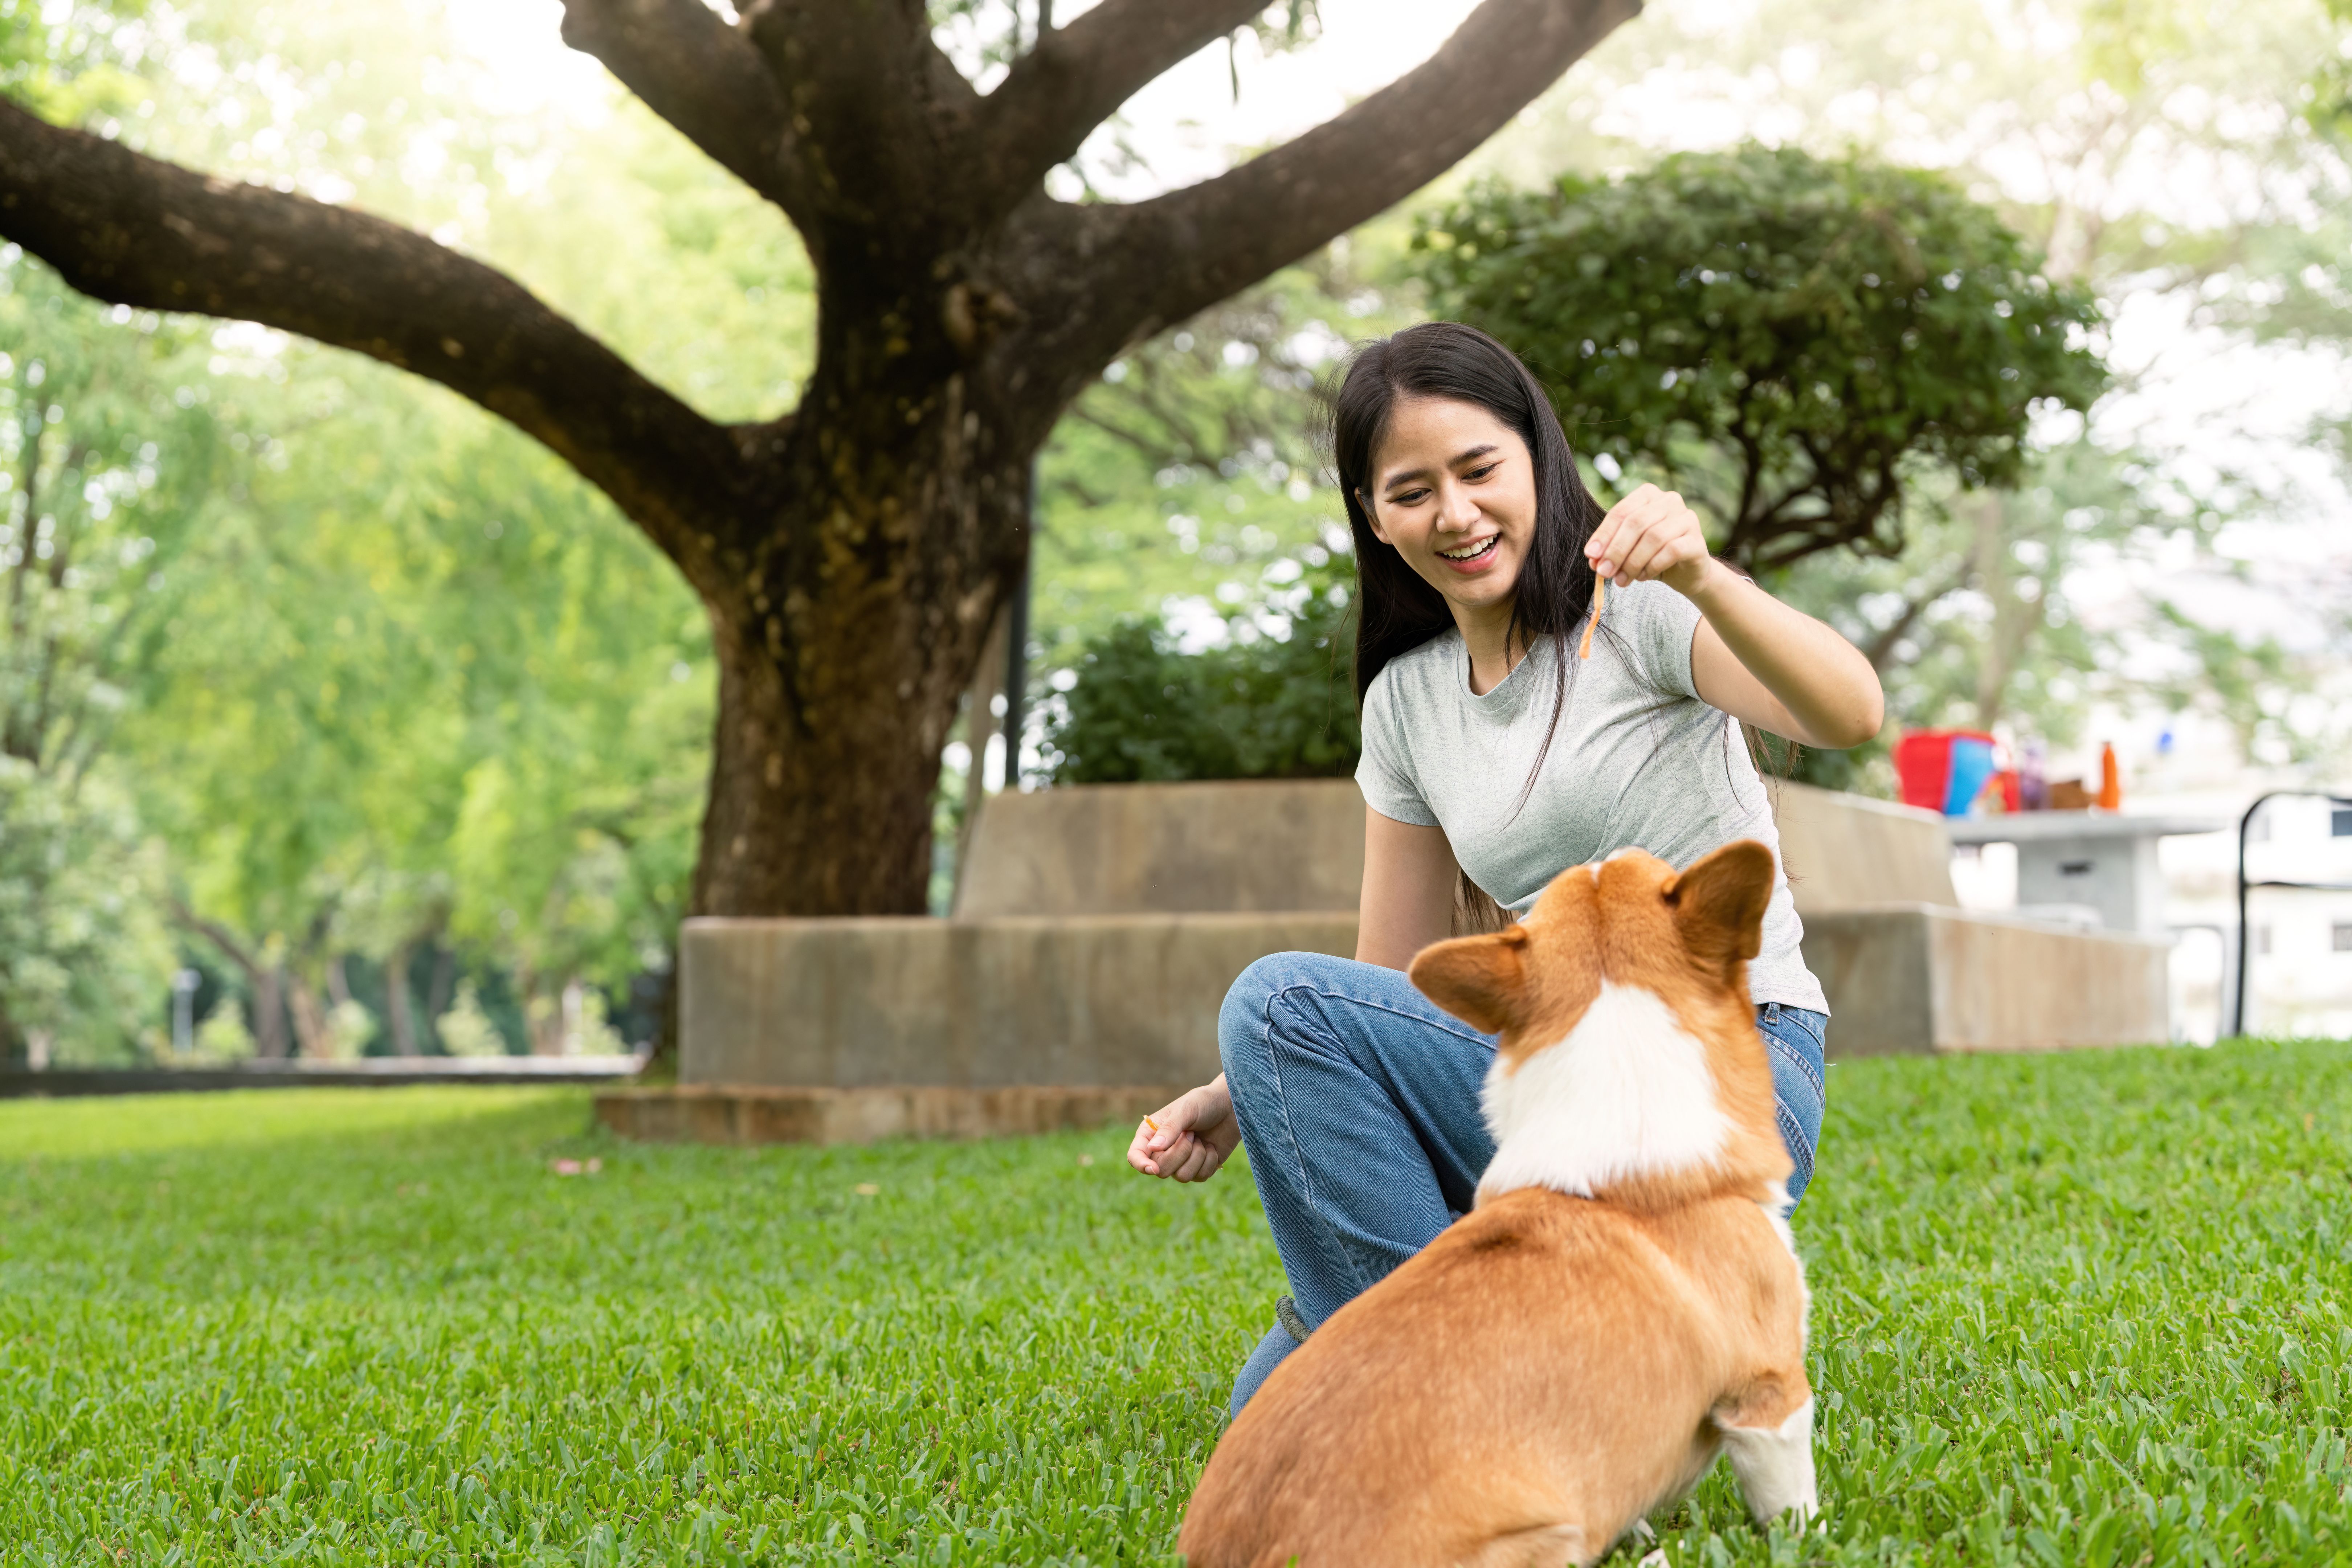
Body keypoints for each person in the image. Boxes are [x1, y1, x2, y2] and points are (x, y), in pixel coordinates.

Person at [1124, 321, 1885, 1416]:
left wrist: (1704, 573)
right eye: (1412, 489)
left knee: (1279, 1013)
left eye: (1481, 469)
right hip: (1548, 1090)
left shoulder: (1645, 618)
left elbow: (1847, 712)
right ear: (1374, 517)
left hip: (1729, 1067)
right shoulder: (1407, 704)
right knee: (1270, 1414)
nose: (1457, 513)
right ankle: (1439, 1349)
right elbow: (1387, 982)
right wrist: (1239, 1090)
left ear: (1538, 458)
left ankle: (1466, 1394)